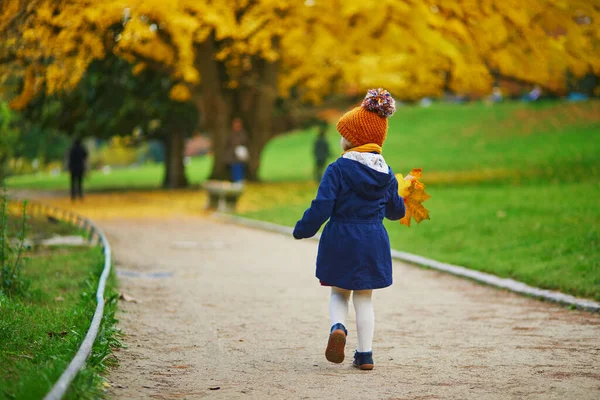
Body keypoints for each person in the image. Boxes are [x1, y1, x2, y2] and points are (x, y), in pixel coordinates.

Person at [293, 88, 406, 371]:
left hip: (341, 237)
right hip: (372, 239)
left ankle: (338, 327)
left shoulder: (337, 169)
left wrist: (303, 228)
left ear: (353, 138)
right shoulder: (387, 172)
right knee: (365, 298)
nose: (341, 138)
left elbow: (322, 206)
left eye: (345, 133)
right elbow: (395, 212)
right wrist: (402, 198)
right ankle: (365, 355)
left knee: (339, 293)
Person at [225, 118, 249, 183]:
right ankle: (235, 181)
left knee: (240, 169)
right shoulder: (230, 133)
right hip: (232, 156)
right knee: (233, 170)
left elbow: (244, 142)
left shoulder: (243, 134)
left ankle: (240, 181)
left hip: (240, 156)